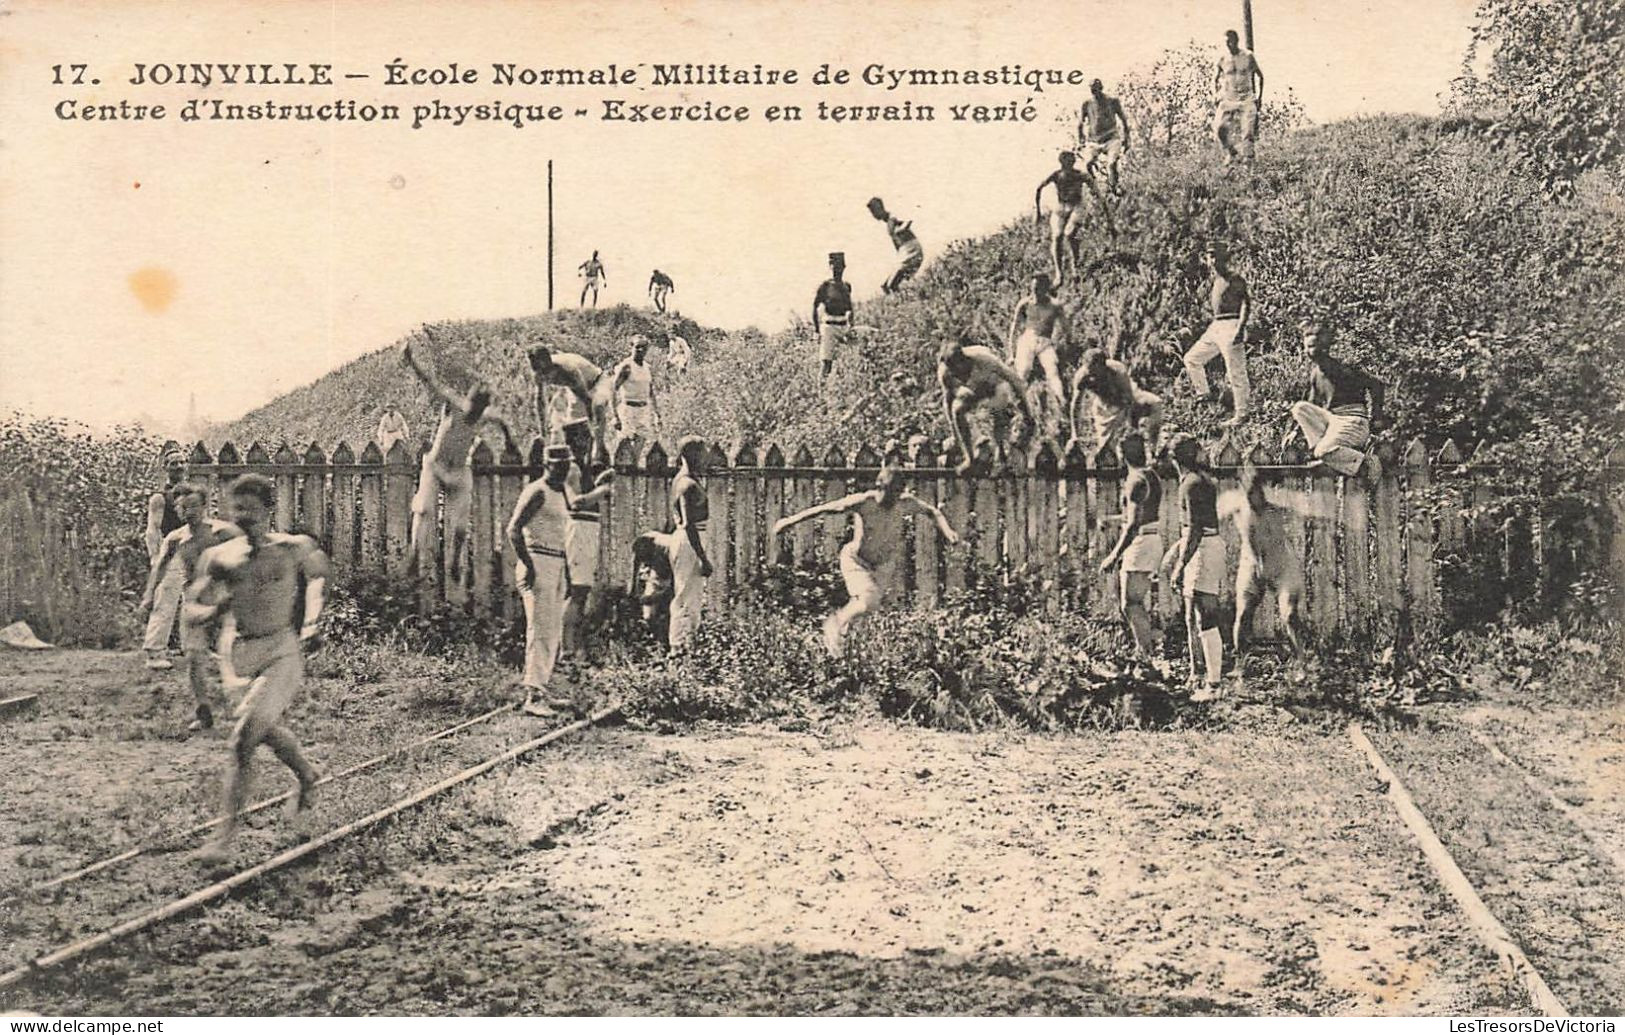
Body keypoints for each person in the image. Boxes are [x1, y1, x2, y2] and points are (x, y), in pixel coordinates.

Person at [186, 474, 328, 863]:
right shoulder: (220, 558)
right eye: (237, 509)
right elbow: (191, 607)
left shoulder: (291, 549)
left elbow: (318, 576)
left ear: (268, 510)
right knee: (263, 730)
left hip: (281, 652)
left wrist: (313, 621)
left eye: (251, 509)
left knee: (242, 741)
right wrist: (213, 609)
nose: (243, 517)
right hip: (237, 655)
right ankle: (307, 775)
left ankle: (222, 840)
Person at [772, 464, 959, 657]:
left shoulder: (904, 502)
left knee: (868, 610)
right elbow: (825, 509)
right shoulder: (863, 501)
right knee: (867, 602)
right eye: (887, 493)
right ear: (879, 486)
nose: (891, 500)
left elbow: (932, 512)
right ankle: (833, 624)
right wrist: (789, 521)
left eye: (896, 494)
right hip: (857, 562)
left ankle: (841, 651)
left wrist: (948, 531)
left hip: (883, 565)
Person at [402, 340, 519, 583]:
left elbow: (502, 422)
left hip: (457, 470)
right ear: (470, 402)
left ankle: (454, 559)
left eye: (480, 410)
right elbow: (431, 383)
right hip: (435, 467)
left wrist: (510, 443)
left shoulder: (483, 416)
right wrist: (412, 361)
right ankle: (414, 555)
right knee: (424, 510)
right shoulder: (455, 406)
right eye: (475, 408)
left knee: (461, 521)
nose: (475, 414)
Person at [139, 482, 242, 732]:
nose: (189, 512)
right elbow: (160, 568)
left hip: (223, 598)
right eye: (184, 507)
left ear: (205, 506)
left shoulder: (222, 532)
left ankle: (247, 705)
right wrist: (149, 597)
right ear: (177, 509)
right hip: (193, 601)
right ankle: (203, 710)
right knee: (194, 658)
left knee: (236, 653)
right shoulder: (176, 539)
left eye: (194, 506)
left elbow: (247, 554)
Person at [507, 445, 579, 717]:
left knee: (552, 629)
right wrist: (527, 564)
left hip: (558, 561)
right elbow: (513, 529)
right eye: (557, 465)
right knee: (539, 628)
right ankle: (532, 696)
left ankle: (542, 687)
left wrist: (568, 574)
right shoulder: (536, 491)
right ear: (547, 465)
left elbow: (563, 534)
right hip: (538, 560)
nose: (562, 470)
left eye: (565, 465)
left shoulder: (561, 492)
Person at [1220, 467, 1306, 671]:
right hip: (1251, 563)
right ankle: (1240, 663)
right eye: (1247, 492)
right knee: (1243, 613)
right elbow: (1251, 546)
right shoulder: (1239, 510)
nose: (1252, 497)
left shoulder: (1275, 511)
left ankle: (1301, 662)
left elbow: (1275, 542)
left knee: (1290, 614)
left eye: (1256, 492)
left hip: (1281, 563)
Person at [1166, 435, 1227, 700]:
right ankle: (1198, 676)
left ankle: (1214, 685)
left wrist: (1180, 565)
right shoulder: (1196, 481)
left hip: (1204, 548)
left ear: (1173, 459)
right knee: (1193, 615)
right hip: (1202, 546)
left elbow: (1195, 530)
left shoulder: (1192, 484)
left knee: (1206, 615)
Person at [1286, 320, 1387, 476]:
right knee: (1300, 408)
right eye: (1307, 347)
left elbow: (1377, 385)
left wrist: (1376, 416)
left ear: (1325, 348)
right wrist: (1295, 431)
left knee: (1323, 451)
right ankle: (1327, 452)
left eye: (1314, 347)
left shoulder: (1341, 369)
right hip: (1333, 421)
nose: (1309, 351)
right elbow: (1312, 406)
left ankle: (1366, 462)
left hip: (1352, 421)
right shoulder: (1315, 374)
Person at [1097, 432, 1163, 664]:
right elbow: (1141, 515)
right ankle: (1145, 651)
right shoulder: (1150, 475)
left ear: (1121, 453)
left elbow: (1134, 523)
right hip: (1150, 538)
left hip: (1141, 543)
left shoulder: (1135, 480)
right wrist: (1113, 519)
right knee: (1133, 603)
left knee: (1131, 603)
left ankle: (1146, 655)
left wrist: (1113, 556)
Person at [560, 419, 615, 669]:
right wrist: (603, 490)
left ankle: (572, 647)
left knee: (581, 591)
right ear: (576, 440)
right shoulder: (571, 469)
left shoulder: (581, 466)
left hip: (587, 527)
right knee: (577, 591)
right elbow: (576, 502)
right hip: (579, 527)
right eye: (586, 438)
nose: (590, 442)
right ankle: (566, 650)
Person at [937, 335, 1038, 474]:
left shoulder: (984, 359)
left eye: (960, 370)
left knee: (999, 399)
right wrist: (954, 431)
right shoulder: (945, 372)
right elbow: (948, 401)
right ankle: (970, 458)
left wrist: (1027, 414)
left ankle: (1000, 450)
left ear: (965, 362)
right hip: (970, 389)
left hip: (993, 383)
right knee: (957, 409)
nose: (958, 373)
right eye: (955, 372)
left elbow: (1014, 381)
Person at [1182, 240, 1252, 427]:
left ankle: (1242, 414)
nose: (1213, 260)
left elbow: (1246, 303)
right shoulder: (1215, 281)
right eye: (1210, 256)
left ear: (1224, 258)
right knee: (1192, 359)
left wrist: (1240, 328)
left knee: (1235, 371)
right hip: (1216, 326)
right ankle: (1204, 396)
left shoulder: (1235, 279)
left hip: (1232, 324)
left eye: (1216, 256)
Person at [1033, 152, 1114, 287]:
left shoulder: (1080, 175)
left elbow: (1098, 195)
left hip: (1077, 206)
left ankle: (1075, 266)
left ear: (1073, 163)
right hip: (1060, 207)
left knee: (1069, 234)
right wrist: (1038, 212)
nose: (1068, 167)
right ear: (1061, 163)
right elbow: (1039, 188)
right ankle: (1059, 274)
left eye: (1070, 163)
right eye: (1065, 164)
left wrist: (1107, 217)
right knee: (1057, 237)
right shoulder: (1056, 175)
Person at [141, 448, 190, 670]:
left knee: (191, 600)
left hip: (190, 553)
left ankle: (182, 646)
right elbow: (152, 530)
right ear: (165, 468)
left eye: (182, 462)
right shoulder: (160, 498)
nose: (179, 466)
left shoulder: (190, 494)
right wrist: (155, 558)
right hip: (171, 553)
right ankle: (154, 651)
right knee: (165, 600)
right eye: (173, 463)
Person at [1070, 347, 1164, 461]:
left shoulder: (1117, 370)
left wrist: (1132, 430)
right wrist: (1074, 434)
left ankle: (1153, 451)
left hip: (1129, 396)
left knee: (1155, 403)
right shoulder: (1082, 376)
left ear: (1103, 366)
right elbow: (1075, 406)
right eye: (1089, 370)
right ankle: (1119, 463)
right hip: (1104, 407)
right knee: (1106, 448)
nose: (1091, 374)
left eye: (1095, 371)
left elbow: (1130, 401)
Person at [1007, 273, 1072, 430]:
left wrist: (1068, 343)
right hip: (1027, 339)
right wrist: (1011, 353)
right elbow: (1014, 328)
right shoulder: (1024, 303)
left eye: (1038, 289)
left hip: (1044, 341)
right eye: (1033, 288)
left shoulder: (1054, 306)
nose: (1034, 292)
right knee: (1023, 372)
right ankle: (1016, 409)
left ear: (1046, 289)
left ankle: (1061, 402)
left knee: (1052, 370)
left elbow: (1065, 328)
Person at [666, 437, 714, 650]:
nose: (706, 458)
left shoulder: (684, 479)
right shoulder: (687, 484)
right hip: (689, 543)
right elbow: (688, 524)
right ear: (690, 455)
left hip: (689, 541)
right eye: (702, 453)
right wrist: (703, 558)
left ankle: (687, 645)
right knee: (686, 597)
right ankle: (679, 648)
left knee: (690, 596)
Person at [528, 345, 613, 463]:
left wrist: (593, 432)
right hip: (574, 389)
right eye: (538, 370)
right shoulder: (538, 373)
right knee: (573, 428)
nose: (542, 375)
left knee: (597, 406)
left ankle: (598, 451)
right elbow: (540, 402)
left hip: (597, 382)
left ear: (549, 363)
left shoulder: (568, 370)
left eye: (544, 371)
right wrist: (543, 431)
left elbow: (587, 401)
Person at [1214, 30, 1265, 164]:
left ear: (1236, 41)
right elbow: (1214, 79)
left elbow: (1260, 76)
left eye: (1230, 42)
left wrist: (1259, 98)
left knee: (1248, 133)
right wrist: (1215, 94)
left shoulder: (1248, 56)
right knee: (1219, 129)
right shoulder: (1222, 59)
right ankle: (1232, 153)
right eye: (1226, 43)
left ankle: (1250, 167)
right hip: (1229, 98)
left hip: (1246, 98)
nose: (1228, 45)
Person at [1078, 79, 1132, 195]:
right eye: (1092, 90)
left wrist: (1127, 139)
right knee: (1088, 164)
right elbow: (1080, 123)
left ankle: (1114, 187)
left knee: (1111, 163)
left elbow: (1124, 120)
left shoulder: (1112, 101)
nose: (1095, 93)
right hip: (1094, 141)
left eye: (1096, 90)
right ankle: (1094, 186)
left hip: (1111, 138)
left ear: (1101, 89)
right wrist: (1081, 140)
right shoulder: (1087, 104)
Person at [609, 335, 660, 447]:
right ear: (631, 347)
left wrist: (656, 413)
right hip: (628, 411)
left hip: (643, 411)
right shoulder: (626, 367)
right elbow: (612, 389)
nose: (641, 350)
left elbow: (651, 391)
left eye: (644, 347)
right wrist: (615, 416)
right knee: (625, 446)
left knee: (640, 443)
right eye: (637, 347)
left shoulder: (647, 367)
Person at [812, 252, 855, 381]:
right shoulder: (825, 286)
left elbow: (850, 308)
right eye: (834, 266)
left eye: (840, 266)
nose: (837, 270)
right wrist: (817, 330)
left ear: (844, 267)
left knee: (860, 353)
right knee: (826, 363)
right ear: (830, 266)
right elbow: (815, 307)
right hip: (829, 326)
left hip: (843, 326)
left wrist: (851, 326)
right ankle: (821, 393)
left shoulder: (846, 286)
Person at [867, 197, 923, 294]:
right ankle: (900, 301)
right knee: (885, 286)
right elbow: (896, 243)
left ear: (880, 208)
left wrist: (899, 230)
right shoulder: (888, 223)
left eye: (874, 211)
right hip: (904, 251)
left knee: (891, 285)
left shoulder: (893, 217)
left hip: (911, 249)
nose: (874, 215)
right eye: (872, 213)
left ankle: (905, 301)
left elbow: (908, 221)